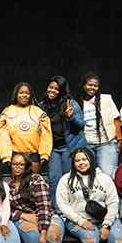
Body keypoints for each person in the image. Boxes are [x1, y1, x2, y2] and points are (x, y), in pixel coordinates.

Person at [39, 75, 87, 203]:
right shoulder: (41, 106)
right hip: (53, 147)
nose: (52, 91)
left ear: (62, 91)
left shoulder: (70, 103)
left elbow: (80, 127)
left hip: (68, 147)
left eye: (56, 89)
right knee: (54, 179)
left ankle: (70, 207)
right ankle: (56, 208)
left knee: (68, 179)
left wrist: (70, 118)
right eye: (51, 88)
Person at [0, 82, 52, 174]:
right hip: (16, 155)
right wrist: (6, 156)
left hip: (33, 155)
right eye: (21, 93)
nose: (24, 95)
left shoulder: (38, 112)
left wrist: (44, 154)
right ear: (16, 94)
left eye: (27, 93)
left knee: (34, 184)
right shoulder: (8, 112)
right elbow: (3, 136)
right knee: (17, 185)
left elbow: (46, 135)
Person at [77, 72, 122, 178]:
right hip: (86, 144)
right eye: (90, 85)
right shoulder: (77, 102)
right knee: (87, 176)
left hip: (106, 143)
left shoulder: (106, 99)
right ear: (84, 85)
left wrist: (119, 140)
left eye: (95, 85)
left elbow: (115, 120)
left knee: (109, 176)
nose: (92, 88)